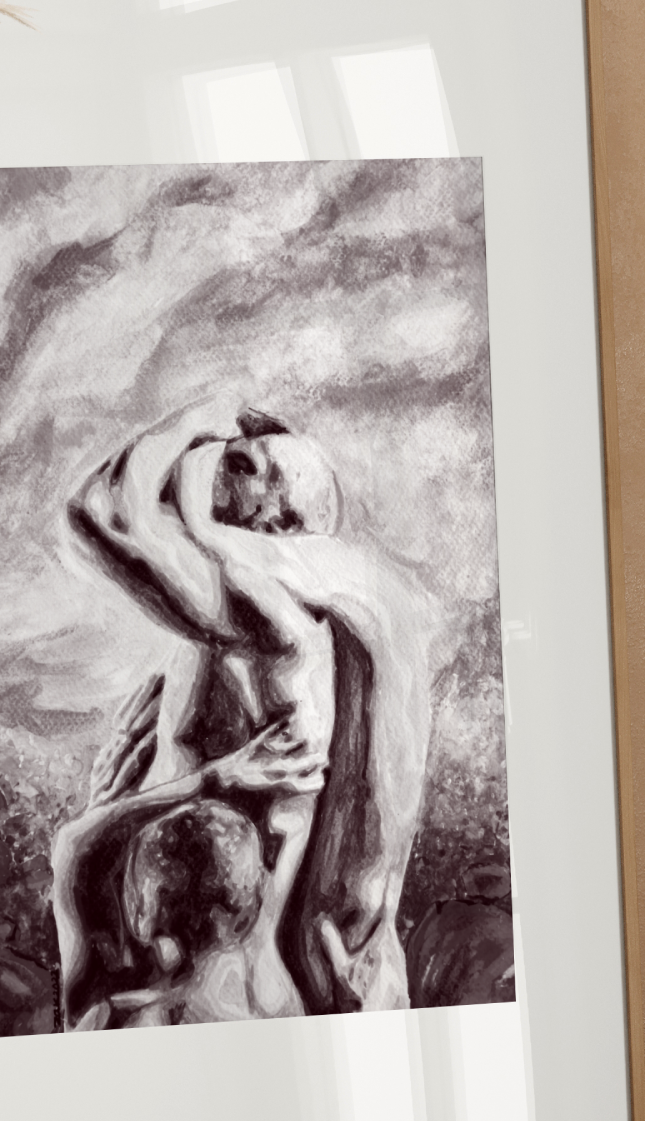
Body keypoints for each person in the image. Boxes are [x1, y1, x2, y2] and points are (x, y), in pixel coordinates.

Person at [66, 396, 443, 1014]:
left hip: (220, 988)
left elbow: (102, 513)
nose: (236, 462)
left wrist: (203, 414)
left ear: (284, 528)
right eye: (247, 458)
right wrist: (114, 804)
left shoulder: (278, 622)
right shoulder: (223, 638)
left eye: (263, 469)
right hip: (158, 948)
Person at [51, 696, 324, 1028]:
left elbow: (69, 843)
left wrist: (216, 777)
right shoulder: (269, 986)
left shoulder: (117, 1019)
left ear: (138, 917)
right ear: (254, 906)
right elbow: (292, 822)